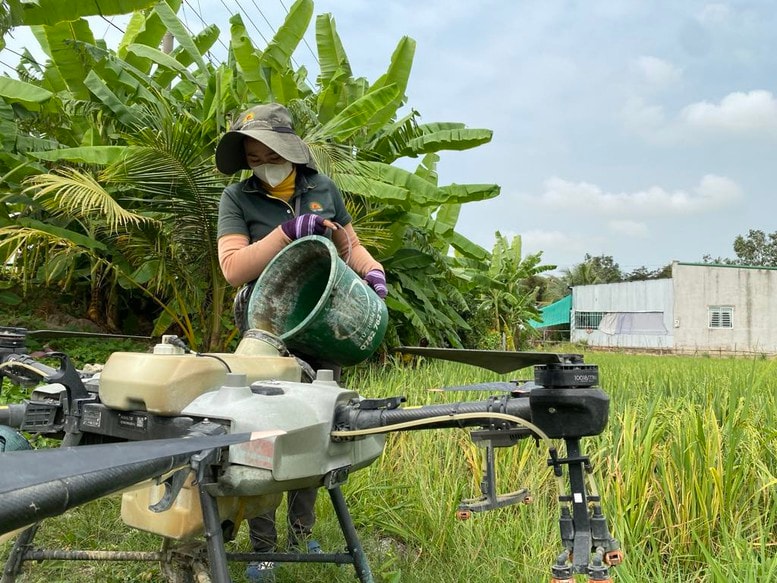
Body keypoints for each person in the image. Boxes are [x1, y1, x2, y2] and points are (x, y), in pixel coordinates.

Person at [214, 102, 387, 582]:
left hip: (324, 320)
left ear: (287, 150)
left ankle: (301, 531)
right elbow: (233, 270)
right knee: (266, 436)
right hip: (268, 330)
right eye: (250, 157)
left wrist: (371, 271)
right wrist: (287, 232)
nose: (260, 164)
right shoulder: (238, 199)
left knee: (317, 428)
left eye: (265, 153)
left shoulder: (321, 189)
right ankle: (264, 547)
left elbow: (350, 245)